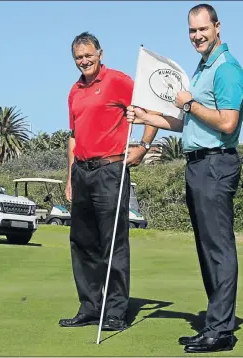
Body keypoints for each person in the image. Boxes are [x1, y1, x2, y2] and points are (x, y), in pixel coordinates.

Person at [127, 4, 243, 353]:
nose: (196, 36)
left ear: (217, 27)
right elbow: (185, 124)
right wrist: (146, 115)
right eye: (191, 31)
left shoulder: (227, 69)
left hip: (216, 165)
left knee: (219, 250)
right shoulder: (202, 68)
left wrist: (190, 103)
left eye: (202, 29)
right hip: (198, 165)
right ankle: (214, 323)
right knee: (207, 250)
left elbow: (227, 123)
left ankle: (221, 331)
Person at [59, 32, 158, 331]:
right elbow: (74, 137)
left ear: (100, 53)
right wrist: (69, 179)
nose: (84, 61)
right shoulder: (74, 91)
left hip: (111, 171)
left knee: (113, 242)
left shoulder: (118, 81)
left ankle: (115, 311)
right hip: (82, 173)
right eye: (78, 57)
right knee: (82, 243)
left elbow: (150, 111)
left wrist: (142, 147)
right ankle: (90, 307)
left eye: (88, 55)